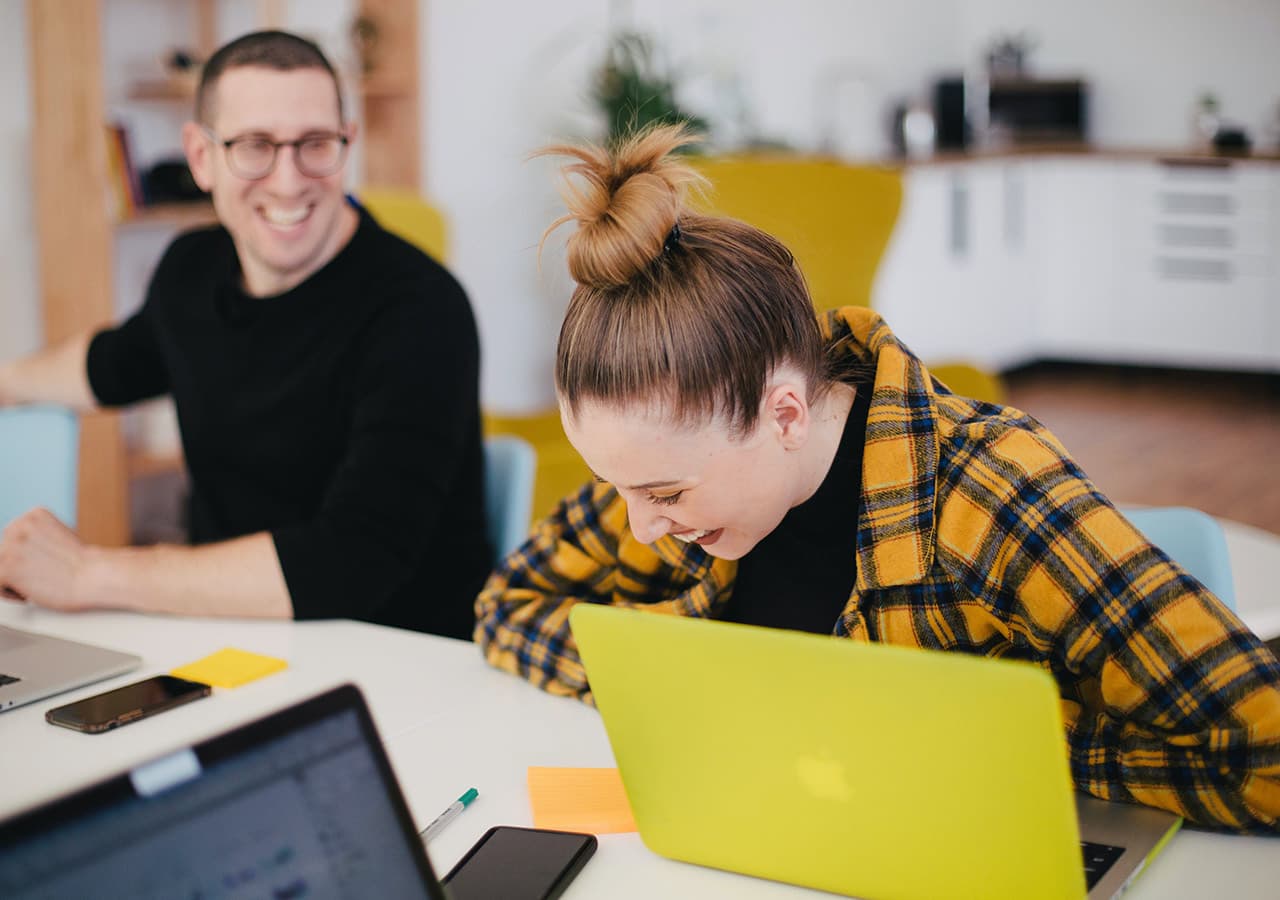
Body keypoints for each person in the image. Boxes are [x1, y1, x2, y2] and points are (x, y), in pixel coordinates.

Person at [475, 125, 1280, 832]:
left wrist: (1012, 741)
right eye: (618, 486)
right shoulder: (668, 473)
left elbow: (1265, 752)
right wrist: (684, 684)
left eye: (665, 495)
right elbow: (507, 607)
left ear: (784, 414)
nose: (640, 525)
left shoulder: (991, 494)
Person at [0, 31, 488, 639]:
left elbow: (355, 560)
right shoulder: (190, 270)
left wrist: (89, 574)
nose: (288, 182)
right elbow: (113, 365)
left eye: (314, 145)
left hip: (396, 660)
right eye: (255, 146)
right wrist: (6, 383)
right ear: (201, 157)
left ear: (348, 145)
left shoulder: (421, 309)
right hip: (226, 638)